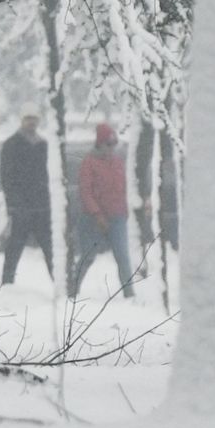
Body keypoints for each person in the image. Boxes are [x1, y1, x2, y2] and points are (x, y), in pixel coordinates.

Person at [68, 121, 138, 299]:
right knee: (88, 256)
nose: (111, 148)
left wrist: (125, 210)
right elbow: (86, 191)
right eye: (108, 144)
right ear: (100, 144)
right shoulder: (89, 163)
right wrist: (96, 214)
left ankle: (129, 294)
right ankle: (72, 290)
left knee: (122, 256)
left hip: (117, 216)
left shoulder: (118, 162)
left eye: (114, 144)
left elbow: (123, 188)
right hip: (92, 219)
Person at [0, 113, 54, 285]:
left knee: (50, 248)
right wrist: (12, 203)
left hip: (41, 207)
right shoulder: (12, 144)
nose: (32, 122)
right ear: (22, 120)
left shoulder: (43, 145)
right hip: (20, 207)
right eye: (28, 119)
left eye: (35, 119)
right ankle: (7, 284)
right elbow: (6, 176)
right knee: (14, 248)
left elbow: (49, 174)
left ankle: (60, 286)